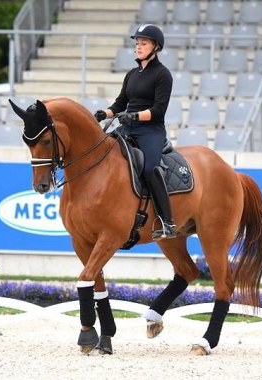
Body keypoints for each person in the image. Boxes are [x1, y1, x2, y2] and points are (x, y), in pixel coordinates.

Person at [94, 24, 176, 241]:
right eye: (137, 43)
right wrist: (105, 113)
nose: (138, 47)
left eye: (144, 43)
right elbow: (121, 102)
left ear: (155, 47)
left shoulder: (163, 75)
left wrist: (136, 116)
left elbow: (159, 110)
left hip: (151, 130)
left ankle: (167, 221)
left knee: (149, 168)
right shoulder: (132, 74)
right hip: (128, 127)